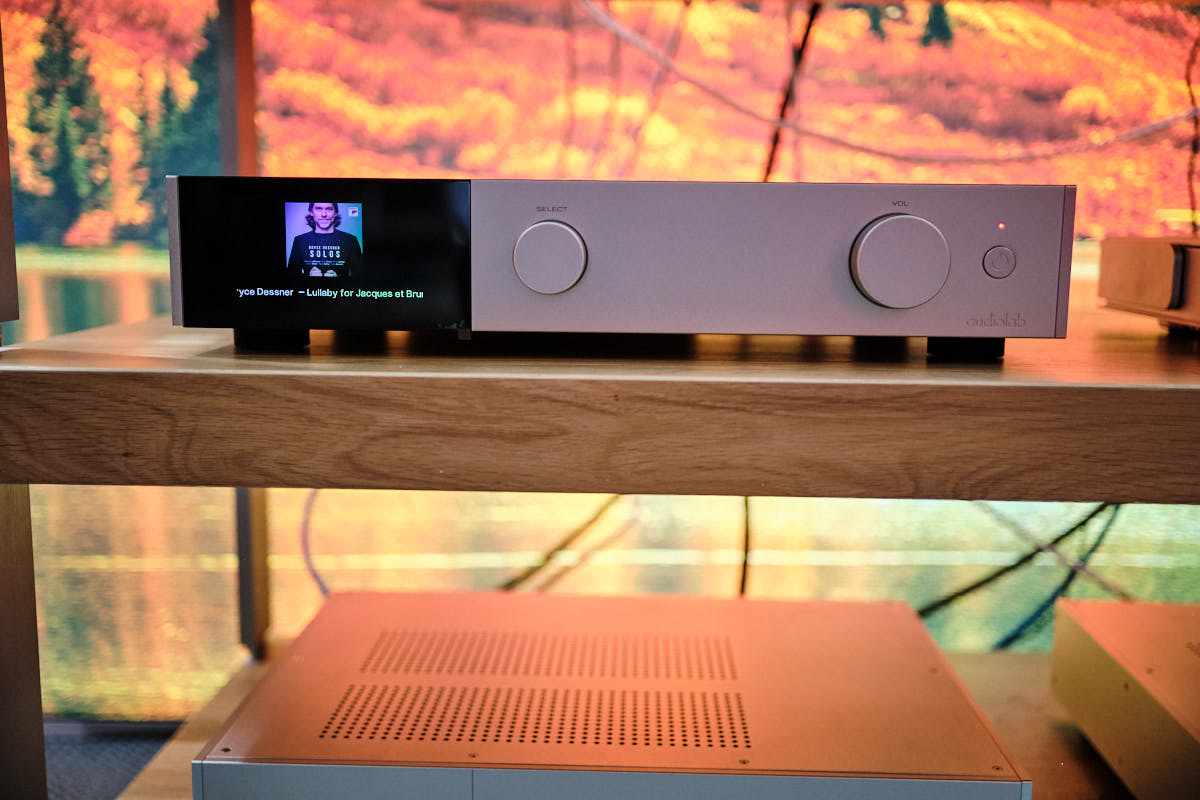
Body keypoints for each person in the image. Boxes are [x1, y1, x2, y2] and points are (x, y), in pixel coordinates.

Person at [286, 202, 363, 278]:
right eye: (319, 209)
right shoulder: (299, 241)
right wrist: (308, 277)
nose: (324, 214)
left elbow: (360, 278)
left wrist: (339, 278)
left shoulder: (350, 241)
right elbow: (291, 277)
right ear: (311, 212)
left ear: (335, 213)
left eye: (329, 209)